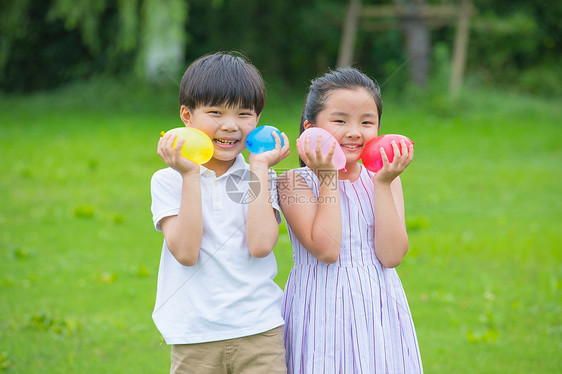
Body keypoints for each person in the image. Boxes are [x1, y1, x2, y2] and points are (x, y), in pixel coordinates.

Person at [150, 52, 290, 374]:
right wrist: (189, 176)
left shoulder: (261, 174)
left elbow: (261, 245)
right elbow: (185, 252)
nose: (230, 126)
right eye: (215, 112)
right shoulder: (168, 179)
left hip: (260, 331)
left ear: (258, 120)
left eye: (244, 114)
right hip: (194, 335)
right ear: (186, 115)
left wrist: (258, 167)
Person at [279, 67, 422, 373]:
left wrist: (383, 184)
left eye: (367, 122)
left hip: (378, 305)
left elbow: (392, 255)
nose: (355, 131)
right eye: (340, 120)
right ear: (311, 128)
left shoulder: (383, 179)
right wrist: (329, 176)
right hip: (320, 305)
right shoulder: (293, 182)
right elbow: (327, 250)